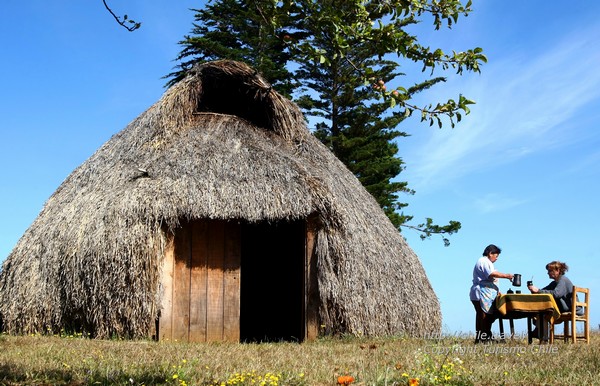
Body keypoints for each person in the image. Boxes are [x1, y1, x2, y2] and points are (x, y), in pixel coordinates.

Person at [469, 244, 514, 343]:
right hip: (481, 292)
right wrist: (507, 276)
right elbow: (491, 274)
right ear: (490, 253)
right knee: (484, 316)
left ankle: (481, 337)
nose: (496, 258)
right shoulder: (484, 261)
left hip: (486, 291)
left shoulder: (486, 262)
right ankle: (484, 337)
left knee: (482, 315)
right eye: (496, 256)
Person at [527, 260, 582, 340]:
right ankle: (539, 333)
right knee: (540, 312)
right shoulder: (555, 283)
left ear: (558, 271)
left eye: (550, 271)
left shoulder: (562, 280)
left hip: (572, 309)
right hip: (565, 308)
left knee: (543, 314)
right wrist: (534, 290)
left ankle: (542, 337)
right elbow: (543, 292)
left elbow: (556, 294)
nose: (548, 273)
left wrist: (538, 290)